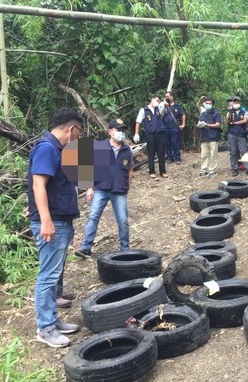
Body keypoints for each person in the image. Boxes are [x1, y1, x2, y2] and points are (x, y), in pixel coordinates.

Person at [27, 107, 83, 348]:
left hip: (61, 219)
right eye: (79, 132)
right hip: (53, 222)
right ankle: (45, 328)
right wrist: (46, 220)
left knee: (54, 273)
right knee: (48, 277)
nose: (79, 137)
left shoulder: (56, 149)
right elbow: (38, 185)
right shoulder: (47, 148)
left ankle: (52, 320)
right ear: (71, 129)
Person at [75, 118, 133, 259]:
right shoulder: (99, 147)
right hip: (100, 188)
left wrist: (127, 186)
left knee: (123, 220)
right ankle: (86, 247)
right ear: (110, 131)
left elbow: (130, 170)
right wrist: (90, 187)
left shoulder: (127, 150)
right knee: (93, 216)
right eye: (118, 130)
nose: (121, 133)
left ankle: (124, 249)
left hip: (119, 189)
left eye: (123, 130)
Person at [134, 95, 167, 179]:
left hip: (160, 133)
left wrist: (163, 104)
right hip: (150, 134)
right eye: (156, 100)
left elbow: (163, 109)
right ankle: (151, 171)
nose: (158, 102)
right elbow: (138, 122)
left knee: (161, 153)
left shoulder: (158, 109)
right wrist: (136, 133)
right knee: (151, 153)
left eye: (159, 101)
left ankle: (162, 171)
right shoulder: (144, 110)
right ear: (152, 100)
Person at [226, 95, 248, 176]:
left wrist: (234, 123)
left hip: (241, 134)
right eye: (234, 102)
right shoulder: (230, 112)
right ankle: (234, 168)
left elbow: (244, 120)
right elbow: (227, 122)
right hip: (232, 134)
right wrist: (230, 112)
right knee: (233, 152)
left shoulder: (244, 111)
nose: (236, 103)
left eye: (237, 102)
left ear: (240, 103)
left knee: (243, 152)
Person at [197, 96, 222, 177]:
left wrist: (207, 124)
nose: (208, 105)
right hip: (204, 137)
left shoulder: (217, 113)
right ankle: (203, 170)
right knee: (204, 155)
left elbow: (218, 125)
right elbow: (199, 122)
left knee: (213, 154)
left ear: (213, 105)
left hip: (214, 137)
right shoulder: (203, 113)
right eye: (206, 103)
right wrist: (199, 125)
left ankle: (212, 171)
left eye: (209, 104)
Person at [162, 91, 186, 164]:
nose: (167, 98)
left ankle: (177, 158)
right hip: (165, 127)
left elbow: (183, 115)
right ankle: (169, 158)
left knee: (175, 143)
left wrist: (183, 124)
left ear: (172, 97)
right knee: (167, 143)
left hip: (174, 127)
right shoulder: (163, 106)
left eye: (168, 96)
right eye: (165, 96)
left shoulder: (177, 106)